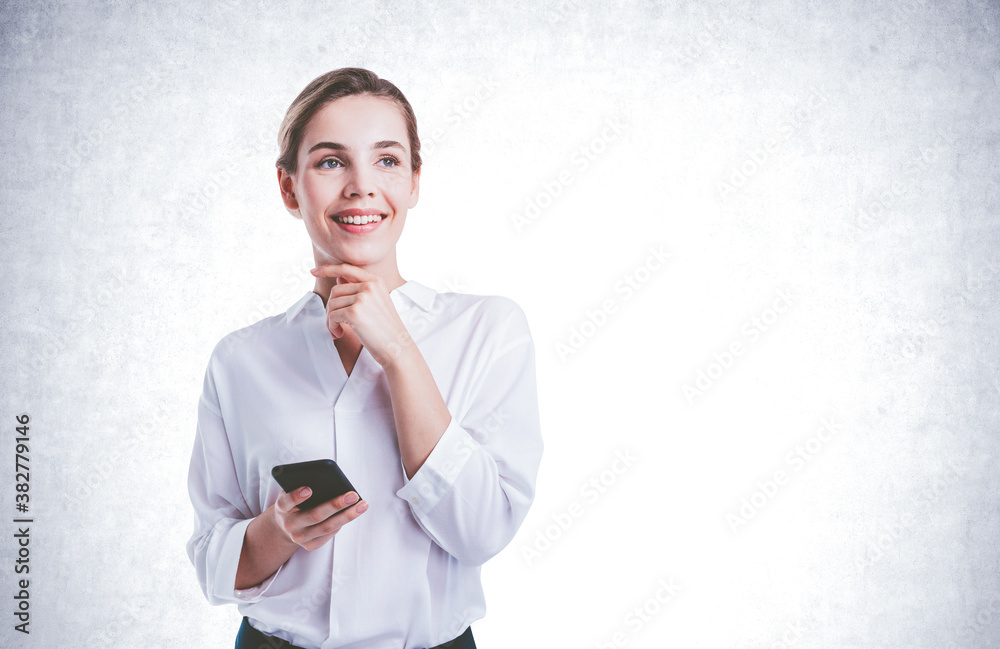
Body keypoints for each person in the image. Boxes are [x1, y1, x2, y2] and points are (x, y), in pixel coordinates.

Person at [185, 67, 544, 649]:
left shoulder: (489, 330)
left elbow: (482, 532)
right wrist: (279, 529)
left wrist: (398, 351)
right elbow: (213, 565)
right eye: (331, 162)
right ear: (288, 188)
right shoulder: (240, 360)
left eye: (387, 160)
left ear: (415, 181)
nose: (361, 187)